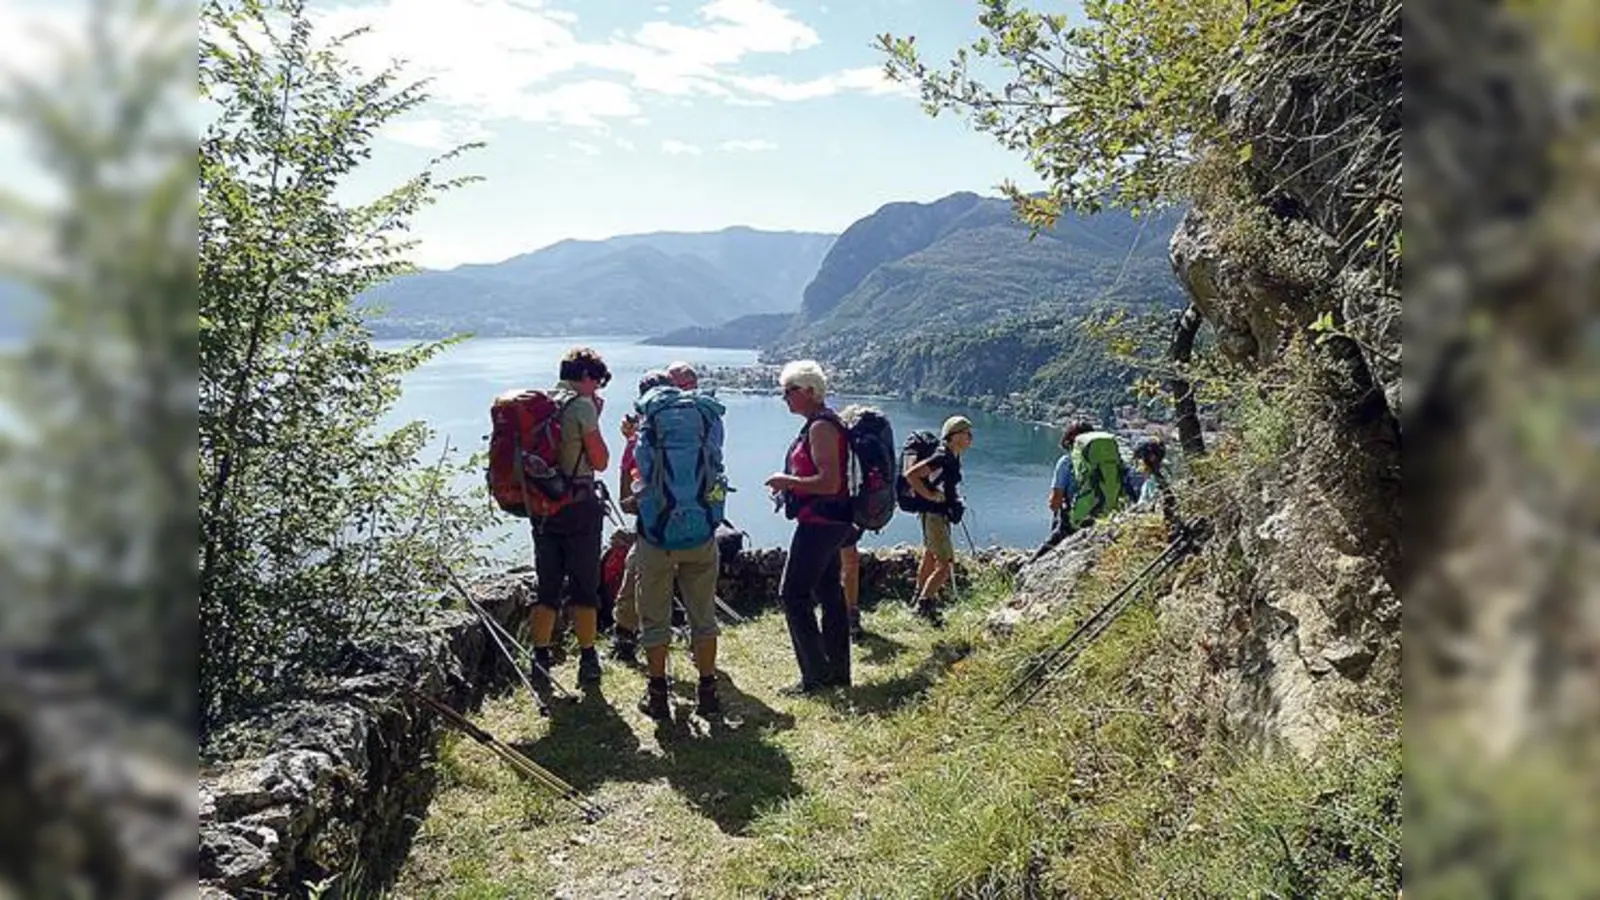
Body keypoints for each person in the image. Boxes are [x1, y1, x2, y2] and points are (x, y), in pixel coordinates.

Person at [632, 366, 728, 718]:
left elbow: (639, 473)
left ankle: (658, 694)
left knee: (654, 616)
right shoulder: (705, 416)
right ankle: (708, 691)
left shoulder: (649, 423)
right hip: (701, 528)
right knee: (703, 614)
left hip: (656, 532)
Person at [765, 360, 855, 695]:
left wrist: (786, 481)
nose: (785, 397)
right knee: (830, 592)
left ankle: (815, 675)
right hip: (834, 521)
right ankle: (837, 672)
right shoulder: (821, 423)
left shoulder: (820, 427)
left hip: (821, 522)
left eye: (789, 391)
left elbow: (829, 482)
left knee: (793, 594)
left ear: (809, 391)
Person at [528, 346, 611, 691]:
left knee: (546, 585)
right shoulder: (581, 407)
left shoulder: (544, 403)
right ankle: (588, 657)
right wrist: (595, 417)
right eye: (599, 382)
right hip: (578, 506)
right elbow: (601, 460)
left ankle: (540, 658)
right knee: (583, 584)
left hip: (543, 507)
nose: (600, 389)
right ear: (588, 377)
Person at [609, 370, 675, 664]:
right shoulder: (695, 429)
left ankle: (625, 642)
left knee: (634, 585)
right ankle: (706, 673)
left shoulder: (641, 440)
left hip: (654, 531)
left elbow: (627, 502)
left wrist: (629, 441)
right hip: (695, 525)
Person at [902, 415, 974, 627]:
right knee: (945, 564)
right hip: (935, 515)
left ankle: (919, 595)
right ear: (955, 436)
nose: (971, 438)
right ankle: (925, 606)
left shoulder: (951, 456)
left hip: (934, 513)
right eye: (967, 434)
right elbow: (912, 475)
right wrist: (930, 496)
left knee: (930, 556)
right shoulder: (942, 456)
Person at [1031, 420, 1094, 561]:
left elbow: (1055, 503)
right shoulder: (1104, 463)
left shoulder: (1066, 462)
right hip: (1099, 522)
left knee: (1036, 561)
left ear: (1069, 440)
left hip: (1071, 525)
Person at [1131, 436, 1181, 536]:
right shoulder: (1166, 474)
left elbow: (1147, 509)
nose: (1138, 464)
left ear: (1150, 458)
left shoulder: (1154, 482)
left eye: (1140, 459)